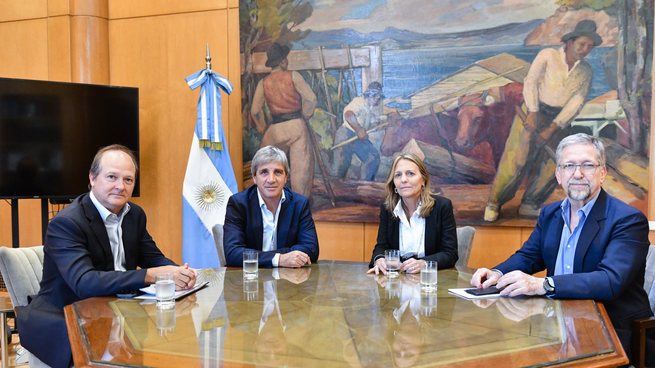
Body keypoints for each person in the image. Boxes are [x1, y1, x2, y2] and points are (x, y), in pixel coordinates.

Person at [471, 133, 654, 364]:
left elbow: (610, 281)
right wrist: (497, 272)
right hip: (555, 325)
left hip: (611, 331)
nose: (577, 174)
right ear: (559, 174)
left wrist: (543, 285)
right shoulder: (550, 213)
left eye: (587, 165)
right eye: (569, 166)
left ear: (602, 172)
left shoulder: (628, 219)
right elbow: (530, 255)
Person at [16, 144, 198, 368]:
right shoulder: (67, 223)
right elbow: (85, 283)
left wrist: (179, 272)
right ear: (93, 178)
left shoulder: (135, 214)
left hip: (122, 312)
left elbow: (152, 257)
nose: (120, 186)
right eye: (112, 177)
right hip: (72, 314)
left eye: (128, 180)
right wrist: (151, 276)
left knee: (174, 349)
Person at [484, 20, 600, 222]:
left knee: (549, 164)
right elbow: (531, 82)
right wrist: (533, 112)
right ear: (570, 42)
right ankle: (494, 203)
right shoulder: (548, 55)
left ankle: (530, 203)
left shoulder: (586, 71)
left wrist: (554, 126)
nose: (585, 50)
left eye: (589, 47)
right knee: (516, 160)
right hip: (534, 111)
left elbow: (577, 101)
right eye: (582, 44)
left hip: (560, 120)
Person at [223, 145, 319, 268]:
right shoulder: (238, 204)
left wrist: (262, 256)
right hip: (250, 280)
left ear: (286, 177)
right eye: (264, 172)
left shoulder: (300, 204)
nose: (271, 179)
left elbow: (311, 249)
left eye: (278, 172)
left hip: (288, 281)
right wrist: (279, 259)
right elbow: (233, 253)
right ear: (254, 177)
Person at [368, 152, 458, 275]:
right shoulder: (388, 209)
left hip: (431, 282)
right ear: (393, 183)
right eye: (398, 175)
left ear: (423, 180)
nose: (404, 180)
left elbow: (450, 254)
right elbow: (381, 246)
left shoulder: (442, 207)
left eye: (410, 174)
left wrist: (424, 263)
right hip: (396, 283)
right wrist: (379, 260)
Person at [251, 42, 317, 197]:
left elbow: (255, 110)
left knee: (269, 167)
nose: (287, 62)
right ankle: (299, 204)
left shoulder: (263, 83)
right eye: (285, 59)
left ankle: (271, 199)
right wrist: (306, 114)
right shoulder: (293, 76)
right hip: (296, 127)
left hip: (275, 130)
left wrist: (262, 128)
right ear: (281, 62)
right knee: (301, 171)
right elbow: (311, 98)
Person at [333, 82, 384, 181]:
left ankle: (365, 185)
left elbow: (372, 125)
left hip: (357, 137)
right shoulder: (359, 102)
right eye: (377, 98)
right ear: (371, 95)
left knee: (373, 158)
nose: (377, 101)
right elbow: (348, 114)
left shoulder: (370, 109)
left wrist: (386, 123)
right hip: (346, 134)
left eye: (379, 98)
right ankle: (334, 188)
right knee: (341, 165)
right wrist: (359, 129)